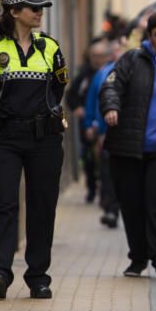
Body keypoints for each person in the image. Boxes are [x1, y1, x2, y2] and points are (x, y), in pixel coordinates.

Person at [0, 0, 68, 300]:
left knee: (43, 208)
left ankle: (38, 276)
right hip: (5, 137)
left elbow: (58, 88)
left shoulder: (51, 48)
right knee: (4, 205)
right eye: (34, 8)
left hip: (44, 137)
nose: (39, 13)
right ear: (14, 12)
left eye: (41, 8)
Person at [100, 11, 156, 280]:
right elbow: (111, 86)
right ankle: (138, 258)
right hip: (129, 148)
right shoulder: (132, 60)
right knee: (132, 205)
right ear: (149, 37)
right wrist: (112, 107)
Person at [84, 37, 125, 229]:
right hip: (106, 133)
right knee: (108, 172)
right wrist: (91, 125)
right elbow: (91, 101)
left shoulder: (133, 70)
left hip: (128, 134)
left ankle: (116, 207)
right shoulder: (102, 74)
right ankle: (111, 209)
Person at [67, 38, 112, 203]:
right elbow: (71, 94)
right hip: (87, 123)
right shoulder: (84, 74)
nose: (96, 59)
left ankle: (106, 196)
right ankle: (92, 189)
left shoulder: (112, 73)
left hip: (106, 125)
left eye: (100, 55)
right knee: (89, 159)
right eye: (94, 55)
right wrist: (79, 109)